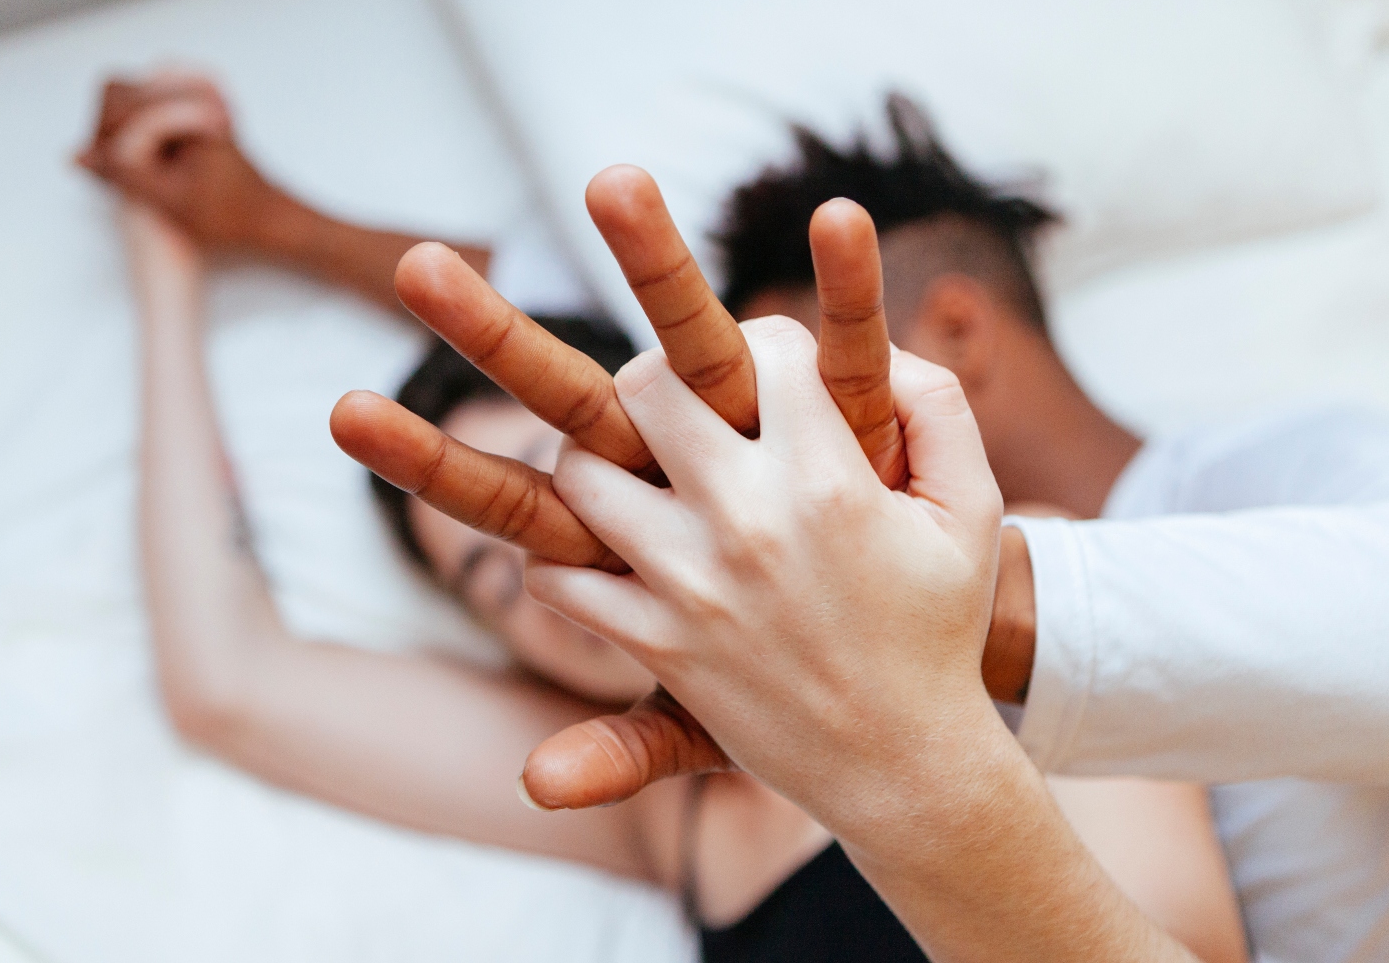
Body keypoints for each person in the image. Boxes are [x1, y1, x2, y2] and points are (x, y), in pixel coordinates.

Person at [84, 73, 1247, 961]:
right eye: (493, 573)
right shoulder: (661, 809)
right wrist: (162, 257)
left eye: (556, 480)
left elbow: (1189, 943)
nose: (549, 549)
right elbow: (230, 683)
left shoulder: (986, 575)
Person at [335, 101, 1389, 961]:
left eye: (802, 394)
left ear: (954, 333)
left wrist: (937, 647)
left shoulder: (1307, 480)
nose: (777, 453)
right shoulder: (724, 752)